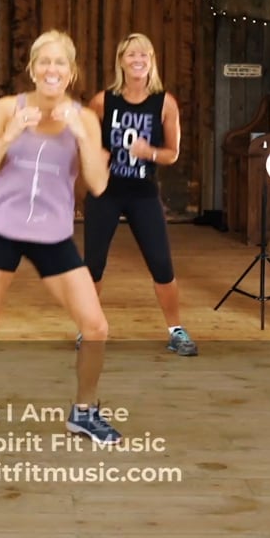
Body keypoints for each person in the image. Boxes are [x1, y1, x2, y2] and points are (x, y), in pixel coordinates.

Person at [0, 30, 121, 445]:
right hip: (2, 230)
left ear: (71, 72)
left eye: (60, 63)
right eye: (44, 62)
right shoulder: (8, 108)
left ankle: (84, 412)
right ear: (32, 69)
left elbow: (99, 185)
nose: (51, 69)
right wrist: (11, 133)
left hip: (53, 235)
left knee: (96, 326)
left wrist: (84, 139)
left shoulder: (84, 119)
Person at [82, 33, 197, 356]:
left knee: (161, 263)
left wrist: (149, 152)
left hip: (143, 192)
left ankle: (176, 330)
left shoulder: (165, 103)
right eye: (131, 54)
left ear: (152, 61)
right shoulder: (103, 101)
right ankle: (88, 328)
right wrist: (96, 156)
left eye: (144, 54)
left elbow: (172, 153)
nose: (138, 59)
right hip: (106, 191)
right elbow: (85, 139)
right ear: (121, 60)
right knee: (93, 264)